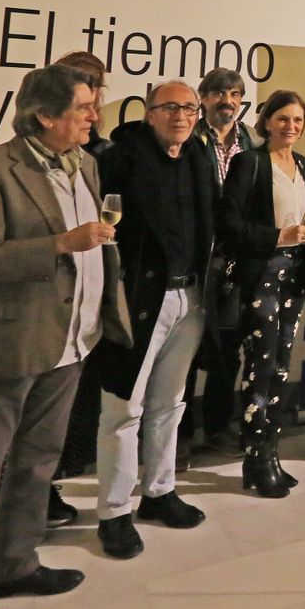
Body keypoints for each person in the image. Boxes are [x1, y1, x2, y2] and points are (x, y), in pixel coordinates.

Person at [0, 64, 131, 609]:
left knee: (38, 463)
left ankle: (14, 566)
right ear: (44, 115)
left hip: (70, 343)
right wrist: (62, 243)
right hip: (6, 346)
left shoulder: (86, 164)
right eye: (83, 108)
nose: (95, 116)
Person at [91, 80, 213, 559]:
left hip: (191, 296)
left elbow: (213, 222)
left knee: (171, 402)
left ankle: (159, 491)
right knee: (124, 407)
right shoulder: (122, 157)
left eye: (189, 108)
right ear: (149, 112)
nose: (181, 115)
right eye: (170, 108)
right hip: (142, 298)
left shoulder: (199, 157)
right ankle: (114, 510)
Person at [217, 90, 305, 498]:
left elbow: (304, 218)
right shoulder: (249, 162)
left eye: (298, 120)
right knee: (260, 368)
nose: (291, 127)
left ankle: (270, 450)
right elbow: (228, 224)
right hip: (261, 275)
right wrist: (279, 236)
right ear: (265, 121)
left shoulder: (301, 164)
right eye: (283, 118)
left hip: (295, 276)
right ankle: (256, 457)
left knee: (282, 365)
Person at [43, 50, 110, 527]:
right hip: (42, 314)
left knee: (66, 414)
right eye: (83, 89)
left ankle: (45, 492)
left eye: (97, 89)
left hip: (86, 315)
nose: (93, 103)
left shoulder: (91, 159)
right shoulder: (0, 167)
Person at [185, 67, 259, 456]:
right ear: (203, 99)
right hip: (196, 258)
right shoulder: (190, 140)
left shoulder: (249, 142)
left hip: (234, 260)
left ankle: (216, 426)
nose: (227, 101)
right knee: (184, 349)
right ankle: (178, 437)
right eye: (218, 94)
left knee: (228, 346)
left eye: (234, 94)